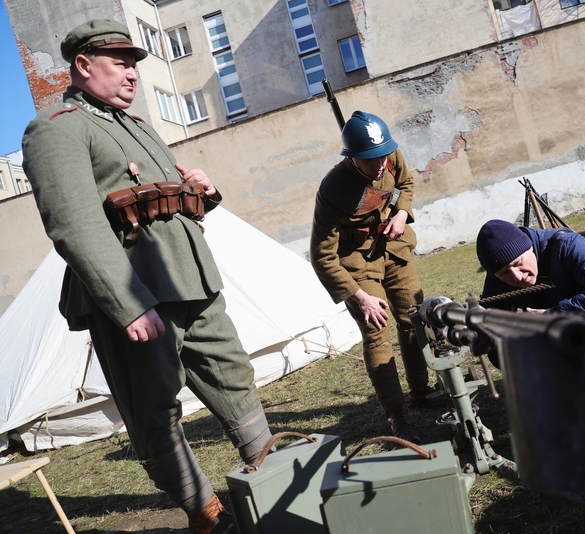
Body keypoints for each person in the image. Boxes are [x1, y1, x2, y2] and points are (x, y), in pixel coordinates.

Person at [22, 19, 272, 534]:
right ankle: (205, 513)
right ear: (85, 66)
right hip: (139, 292)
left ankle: (273, 477)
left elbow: (164, 207)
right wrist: (128, 301)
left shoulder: (135, 126)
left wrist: (202, 190)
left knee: (235, 378)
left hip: (192, 280)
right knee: (154, 410)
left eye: (136, 63)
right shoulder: (60, 127)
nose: (133, 73)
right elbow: (74, 223)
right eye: (121, 62)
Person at [310, 111, 432, 444]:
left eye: (382, 156)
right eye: (370, 160)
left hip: (395, 248)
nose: (379, 164)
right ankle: (398, 414)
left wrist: (402, 213)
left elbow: (405, 184)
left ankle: (422, 391)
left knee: (415, 318)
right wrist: (357, 296)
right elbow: (321, 255)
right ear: (352, 157)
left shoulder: (389, 154)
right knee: (378, 331)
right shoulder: (333, 190)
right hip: (358, 263)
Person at [475, 219, 585, 363]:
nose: (517, 277)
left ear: (529, 247)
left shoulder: (568, 245)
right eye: (504, 273)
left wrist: (553, 315)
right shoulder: (497, 277)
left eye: (518, 263)